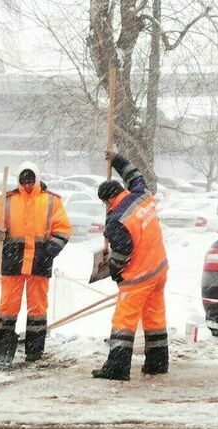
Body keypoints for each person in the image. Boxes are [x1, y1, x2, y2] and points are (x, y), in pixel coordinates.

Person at [92, 151, 168, 381]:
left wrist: (114, 270)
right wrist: (116, 159)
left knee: (123, 322)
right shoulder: (142, 194)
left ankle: (117, 368)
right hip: (159, 269)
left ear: (107, 201)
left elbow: (123, 251)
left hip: (137, 278)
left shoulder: (116, 220)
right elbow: (133, 174)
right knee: (154, 317)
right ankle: (157, 363)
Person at [0, 162, 71, 362]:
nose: (27, 185)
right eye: (24, 182)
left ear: (37, 179)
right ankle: (4, 348)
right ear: (19, 181)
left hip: (40, 260)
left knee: (37, 308)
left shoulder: (52, 201)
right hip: (13, 260)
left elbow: (63, 229)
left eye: (30, 181)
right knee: (7, 306)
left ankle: (34, 351)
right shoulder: (7, 200)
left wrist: (51, 250)